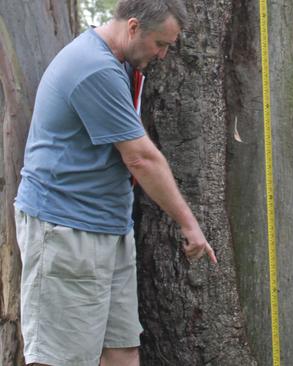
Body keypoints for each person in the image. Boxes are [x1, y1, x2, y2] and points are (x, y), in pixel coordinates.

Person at [14, 1, 216, 365]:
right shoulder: (95, 69)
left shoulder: (116, 62)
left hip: (108, 228)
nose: (164, 55)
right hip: (68, 231)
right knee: (61, 358)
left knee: (121, 351)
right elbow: (140, 158)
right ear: (134, 27)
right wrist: (189, 224)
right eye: (161, 44)